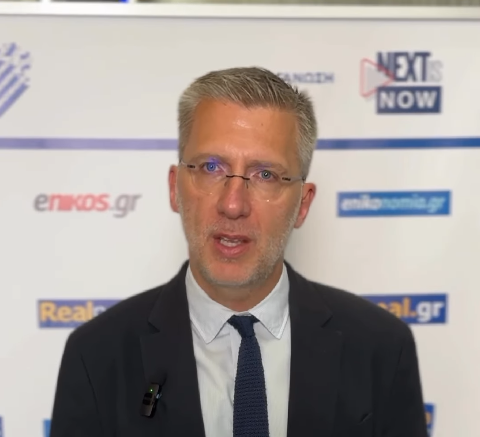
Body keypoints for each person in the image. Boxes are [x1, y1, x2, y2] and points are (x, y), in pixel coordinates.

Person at [50, 67, 428, 437]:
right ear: (175, 188)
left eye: (265, 175)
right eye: (212, 167)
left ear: (302, 204)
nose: (233, 205)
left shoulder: (380, 348)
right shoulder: (97, 355)